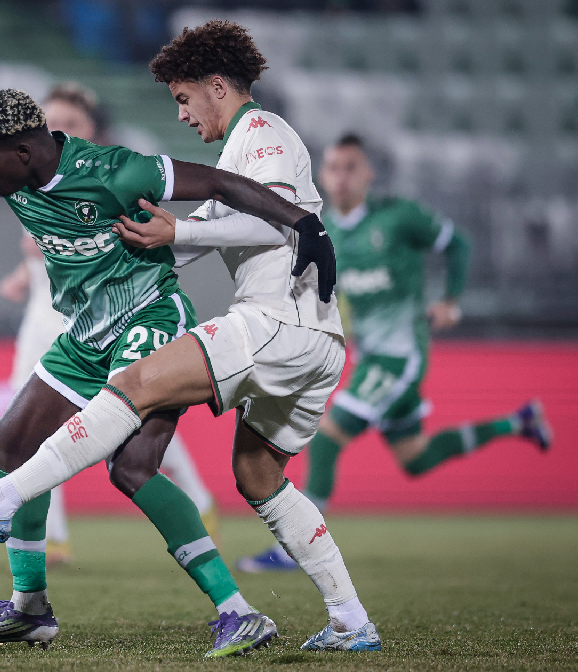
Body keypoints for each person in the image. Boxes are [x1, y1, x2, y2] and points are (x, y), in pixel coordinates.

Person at [0, 20, 380, 654]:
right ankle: (351, 620)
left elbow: (274, 218)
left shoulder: (261, 133)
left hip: (276, 322)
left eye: (183, 98)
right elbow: (210, 225)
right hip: (306, 338)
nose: (180, 114)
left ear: (216, 86)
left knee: (135, 391)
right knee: (257, 476)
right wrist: (157, 243)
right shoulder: (236, 147)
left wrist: (208, 231)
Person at [237, 133, 554, 573]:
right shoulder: (324, 232)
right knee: (415, 457)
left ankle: (297, 550)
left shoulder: (400, 217)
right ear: (322, 175)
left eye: (351, 167)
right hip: (372, 357)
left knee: (327, 438)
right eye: (334, 168)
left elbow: (458, 243)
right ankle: (519, 422)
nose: (342, 177)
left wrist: (451, 300)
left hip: (401, 355)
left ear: (368, 173)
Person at [0, 83, 220, 565]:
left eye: (70, 124)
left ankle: (199, 499)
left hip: (112, 317)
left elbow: (135, 242)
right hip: (45, 319)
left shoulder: (109, 178)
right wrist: (22, 272)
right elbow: (51, 249)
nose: (57, 131)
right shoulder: (27, 173)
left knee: (131, 418)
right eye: (51, 122)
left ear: (91, 132)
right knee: (25, 434)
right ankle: (52, 539)